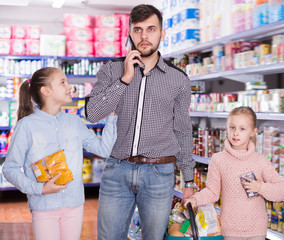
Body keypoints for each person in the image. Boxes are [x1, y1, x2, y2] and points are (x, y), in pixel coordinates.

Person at [84, 4, 195, 240]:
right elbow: (92, 114)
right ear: (130, 34)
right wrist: (124, 79)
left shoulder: (179, 80)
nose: (144, 36)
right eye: (138, 30)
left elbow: (183, 131)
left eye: (151, 29)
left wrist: (188, 180)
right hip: (117, 170)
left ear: (162, 34)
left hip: (159, 173)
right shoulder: (112, 69)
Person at [2, 67, 117, 240]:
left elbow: (104, 150)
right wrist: (39, 188)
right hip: (44, 206)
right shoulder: (26, 126)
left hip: (74, 205)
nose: (70, 87)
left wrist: (111, 117)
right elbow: (10, 168)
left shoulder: (74, 122)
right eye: (63, 82)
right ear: (45, 91)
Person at [183, 106, 284, 240]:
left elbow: (283, 189)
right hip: (229, 231)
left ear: (253, 132)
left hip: (256, 231)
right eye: (232, 127)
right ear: (227, 128)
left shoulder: (260, 161)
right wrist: (195, 199)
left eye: (242, 129)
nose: (236, 133)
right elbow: (212, 192)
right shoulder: (218, 159)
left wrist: (260, 187)